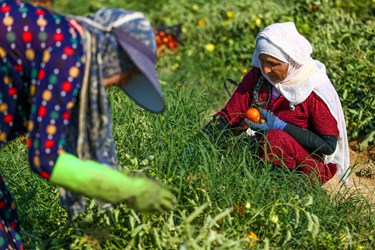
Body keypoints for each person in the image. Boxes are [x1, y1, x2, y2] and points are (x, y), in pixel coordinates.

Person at [0, 1, 176, 248]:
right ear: (113, 58)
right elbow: (45, 158)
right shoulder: (68, 52)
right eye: (124, 77)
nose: (113, 86)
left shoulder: (60, 37)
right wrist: (126, 189)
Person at [204, 22, 350, 186]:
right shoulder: (258, 76)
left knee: (275, 138)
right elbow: (228, 116)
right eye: (262, 61)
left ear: (291, 61)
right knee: (233, 147)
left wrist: (282, 127)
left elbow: (328, 145)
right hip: (265, 149)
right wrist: (196, 147)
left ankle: (283, 188)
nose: (266, 69)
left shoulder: (313, 90)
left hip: (307, 164)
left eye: (273, 64)